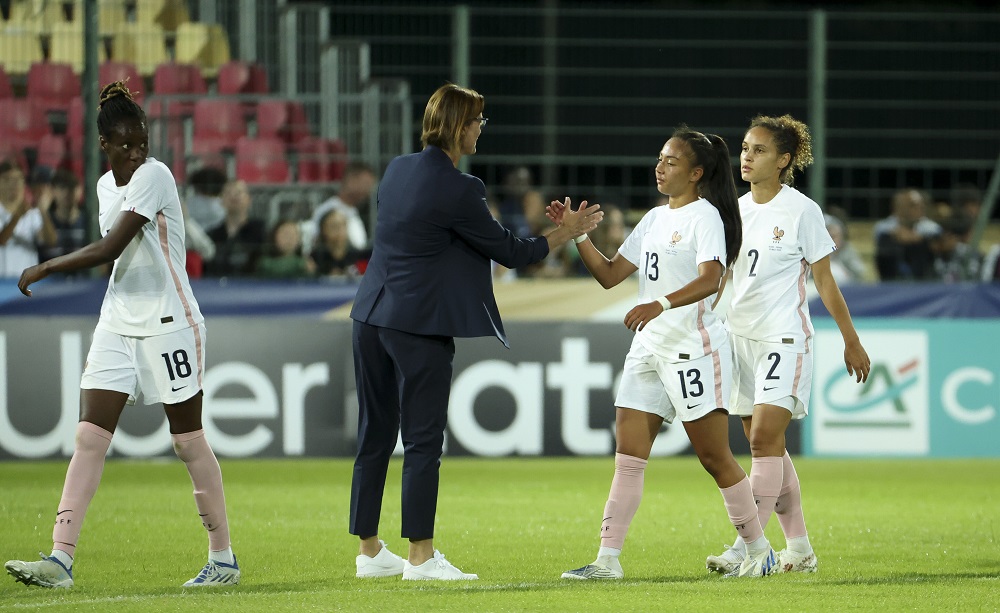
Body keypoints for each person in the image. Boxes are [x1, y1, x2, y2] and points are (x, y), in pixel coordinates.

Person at [348, 83, 602, 581]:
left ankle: (370, 550)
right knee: (422, 441)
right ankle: (420, 556)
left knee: (374, 434)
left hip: (369, 316)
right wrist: (566, 233)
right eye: (477, 122)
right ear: (458, 125)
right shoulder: (463, 188)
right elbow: (511, 252)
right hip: (417, 326)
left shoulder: (397, 169)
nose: (480, 130)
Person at [4, 81, 239, 589]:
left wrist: (45, 265)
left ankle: (222, 559)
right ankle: (60, 559)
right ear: (104, 146)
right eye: (125, 145)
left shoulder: (155, 175)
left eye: (142, 143)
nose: (136, 153)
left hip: (169, 323)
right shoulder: (106, 185)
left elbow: (110, 248)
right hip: (117, 320)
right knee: (89, 436)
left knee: (187, 442)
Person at [552, 126, 779, 580]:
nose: (660, 167)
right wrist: (577, 237)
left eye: (671, 161)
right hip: (649, 349)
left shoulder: (705, 217)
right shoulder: (654, 219)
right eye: (660, 158)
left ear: (696, 173)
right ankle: (607, 561)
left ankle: (759, 549)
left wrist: (659, 302)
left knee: (714, 457)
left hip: (694, 349)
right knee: (628, 455)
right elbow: (612, 275)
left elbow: (711, 278)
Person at [705, 114, 870, 576]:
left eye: (758, 150)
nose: (746, 157)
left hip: (784, 337)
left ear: (783, 160)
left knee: (762, 440)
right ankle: (798, 547)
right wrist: (704, 322)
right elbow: (724, 277)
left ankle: (748, 546)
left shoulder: (802, 210)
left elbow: (825, 281)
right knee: (768, 448)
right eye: (744, 148)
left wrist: (851, 340)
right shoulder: (734, 209)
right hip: (738, 338)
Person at [0, 160, 58, 277]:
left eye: (18, 179)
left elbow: (51, 241)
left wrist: (42, 210)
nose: (14, 185)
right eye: (8, 179)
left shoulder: (33, 214)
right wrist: (17, 216)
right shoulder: (20, 214)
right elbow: (1, 240)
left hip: (26, 284)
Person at [873, 188, 941, 281]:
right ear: (899, 207)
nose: (920, 208)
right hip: (893, 273)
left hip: (923, 275)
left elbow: (935, 241)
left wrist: (909, 237)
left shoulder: (931, 226)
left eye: (921, 204)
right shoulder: (883, 226)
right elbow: (882, 236)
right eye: (913, 205)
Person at [204, 179, 267, 277]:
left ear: (249, 199)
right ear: (221, 200)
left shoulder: (261, 231)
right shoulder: (212, 234)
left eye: (238, 192)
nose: (233, 196)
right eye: (228, 193)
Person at [310, 162, 377, 250]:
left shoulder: (353, 211)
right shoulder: (327, 210)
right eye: (366, 184)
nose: (368, 192)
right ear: (351, 180)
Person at [37, 169, 88, 269]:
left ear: (79, 190)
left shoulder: (89, 222)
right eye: (62, 188)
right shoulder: (43, 220)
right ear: (52, 191)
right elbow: (48, 242)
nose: (67, 192)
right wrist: (43, 212)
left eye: (72, 187)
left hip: (82, 282)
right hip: (51, 282)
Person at [311, 208, 368, 277]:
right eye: (334, 226)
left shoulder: (358, 256)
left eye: (343, 225)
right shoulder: (315, 258)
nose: (340, 230)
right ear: (323, 229)